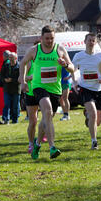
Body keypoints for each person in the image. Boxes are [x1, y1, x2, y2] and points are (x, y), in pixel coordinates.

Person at [19, 25, 74, 160]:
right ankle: (52, 147)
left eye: (52, 38)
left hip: (55, 89)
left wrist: (65, 65)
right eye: (47, 38)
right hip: (39, 87)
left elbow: (72, 68)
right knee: (46, 110)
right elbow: (23, 63)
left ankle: (37, 144)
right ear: (41, 38)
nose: (49, 41)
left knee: (46, 118)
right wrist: (23, 81)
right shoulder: (34, 50)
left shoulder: (60, 49)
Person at [72, 33, 101, 150]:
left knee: (98, 121)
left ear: (96, 42)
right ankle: (94, 141)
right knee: (93, 114)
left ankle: (87, 115)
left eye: (93, 41)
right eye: (89, 40)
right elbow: (73, 69)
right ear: (84, 41)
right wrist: (74, 82)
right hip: (85, 88)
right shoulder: (78, 56)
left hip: (100, 89)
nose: (91, 42)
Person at [2, 52, 21, 124]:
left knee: (15, 106)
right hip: (7, 89)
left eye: (12, 58)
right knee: (6, 104)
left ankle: (15, 120)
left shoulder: (19, 66)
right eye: (9, 57)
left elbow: (20, 78)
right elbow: (1, 75)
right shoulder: (6, 65)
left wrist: (12, 80)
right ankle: (5, 119)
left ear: (16, 58)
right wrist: (4, 79)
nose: (10, 59)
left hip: (16, 89)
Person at [0, 50, 11, 124]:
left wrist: (4, 79)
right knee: (9, 103)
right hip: (8, 85)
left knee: (7, 103)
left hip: (7, 86)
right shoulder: (7, 63)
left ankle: (5, 118)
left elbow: (3, 74)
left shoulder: (7, 63)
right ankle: (7, 118)